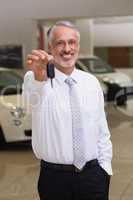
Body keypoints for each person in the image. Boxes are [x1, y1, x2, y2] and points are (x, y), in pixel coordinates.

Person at [23, 21, 112, 200]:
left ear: (78, 46)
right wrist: (40, 77)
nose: (67, 48)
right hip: (55, 180)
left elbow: (101, 129)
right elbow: (31, 101)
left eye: (72, 42)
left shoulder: (91, 82)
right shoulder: (37, 80)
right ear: (50, 47)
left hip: (93, 176)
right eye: (60, 43)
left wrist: (105, 168)